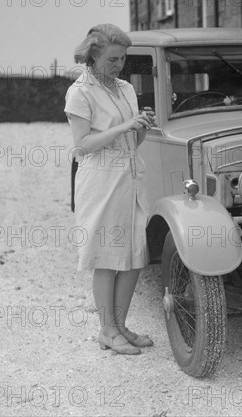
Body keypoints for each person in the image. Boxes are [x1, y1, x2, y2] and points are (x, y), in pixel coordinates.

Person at [65, 24, 154, 355]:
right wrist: (124, 126)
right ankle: (106, 331)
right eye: (113, 59)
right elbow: (83, 145)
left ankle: (121, 326)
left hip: (130, 176)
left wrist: (141, 125)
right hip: (100, 180)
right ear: (93, 55)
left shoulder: (126, 88)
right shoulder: (80, 92)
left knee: (134, 256)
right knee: (107, 257)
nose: (119, 66)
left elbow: (133, 140)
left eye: (123, 59)